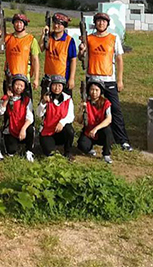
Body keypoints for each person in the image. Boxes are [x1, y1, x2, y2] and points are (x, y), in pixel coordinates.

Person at [79, 12, 132, 151]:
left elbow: (119, 59)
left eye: (104, 21)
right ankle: (88, 137)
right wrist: (82, 50)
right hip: (92, 79)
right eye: (98, 21)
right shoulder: (89, 38)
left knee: (115, 110)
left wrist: (119, 80)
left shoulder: (113, 38)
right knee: (89, 109)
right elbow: (81, 57)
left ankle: (122, 140)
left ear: (107, 24)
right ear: (95, 23)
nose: (101, 23)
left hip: (109, 80)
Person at [0, 13, 40, 93]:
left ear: (24, 24)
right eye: (16, 22)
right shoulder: (7, 38)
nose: (18, 25)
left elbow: (35, 60)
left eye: (21, 22)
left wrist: (36, 79)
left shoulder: (31, 39)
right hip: (9, 77)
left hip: (24, 78)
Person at [0, 74, 35, 162]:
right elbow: (0, 112)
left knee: (30, 129)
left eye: (21, 85)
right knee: (11, 151)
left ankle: (29, 150)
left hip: (23, 128)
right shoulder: (5, 98)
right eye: (17, 84)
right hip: (11, 128)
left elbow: (30, 118)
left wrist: (23, 129)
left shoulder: (27, 100)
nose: (19, 87)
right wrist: (7, 99)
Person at [37, 75, 75, 159]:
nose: (57, 88)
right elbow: (39, 114)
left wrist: (62, 123)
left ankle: (68, 152)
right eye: (54, 85)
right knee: (49, 152)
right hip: (48, 131)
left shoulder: (68, 99)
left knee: (70, 131)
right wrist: (43, 103)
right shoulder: (47, 98)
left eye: (59, 86)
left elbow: (70, 116)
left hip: (61, 130)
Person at [77, 78, 113, 164]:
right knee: (82, 146)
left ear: (101, 91)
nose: (94, 92)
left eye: (97, 90)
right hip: (88, 132)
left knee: (108, 131)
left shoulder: (106, 103)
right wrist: (82, 110)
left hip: (100, 131)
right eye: (92, 90)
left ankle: (106, 154)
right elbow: (79, 121)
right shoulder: (86, 102)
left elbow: (109, 119)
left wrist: (96, 129)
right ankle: (90, 149)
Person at [40, 13, 77, 95]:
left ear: (64, 26)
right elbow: (41, 48)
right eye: (55, 23)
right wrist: (43, 34)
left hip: (63, 78)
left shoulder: (69, 40)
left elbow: (73, 60)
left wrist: (71, 78)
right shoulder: (48, 37)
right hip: (48, 77)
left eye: (59, 24)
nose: (56, 26)